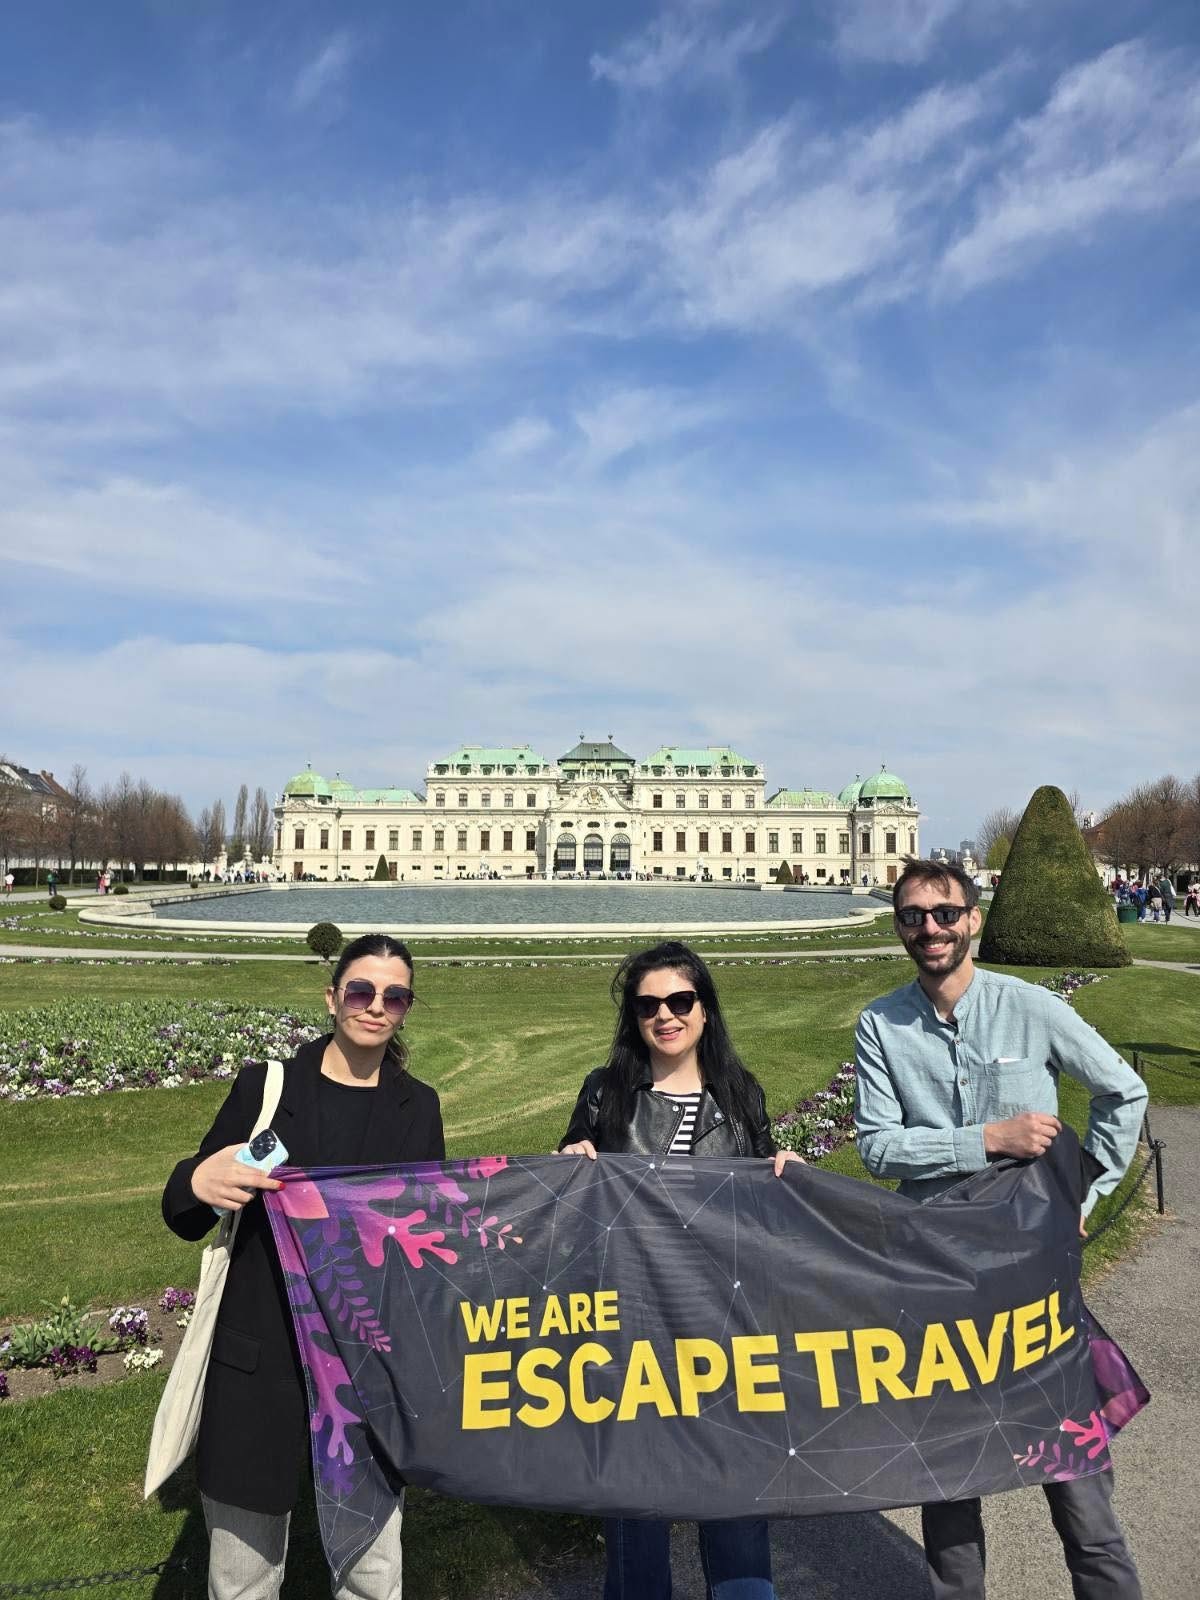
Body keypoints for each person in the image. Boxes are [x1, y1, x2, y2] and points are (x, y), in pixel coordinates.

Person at [853, 858, 1147, 1600]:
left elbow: (1123, 1090)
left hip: (1029, 1277)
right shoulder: (882, 1024)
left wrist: (1084, 1197)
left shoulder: (1029, 1007)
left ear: (972, 920)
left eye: (945, 913)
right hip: (938, 1275)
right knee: (949, 1480)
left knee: (1078, 1488)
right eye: (914, 916)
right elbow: (878, 1148)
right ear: (900, 927)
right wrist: (987, 1139)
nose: (930, 928)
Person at [162, 933, 445, 1600]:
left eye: (395, 996)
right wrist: (199, 1179)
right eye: (361, 990)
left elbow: (429, 1230)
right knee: (244, 1581)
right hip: (261, 1365)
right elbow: (186, 1209)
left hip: (363, 1368)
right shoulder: (268, 1091)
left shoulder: (418, 1107)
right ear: (332, 997)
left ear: (406, 1010)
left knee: (373, 1578)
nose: (375, 1006)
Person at [557, 939, 801, 1600]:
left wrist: (788, 1179)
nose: (664, 1015)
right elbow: (569, 1208)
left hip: (724, 1324)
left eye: (680, 1000)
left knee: (736, 1503)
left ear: (704, 1008)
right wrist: (568, 1165)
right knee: (638, 1511)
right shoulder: (605, 1092)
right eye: (648, 1006)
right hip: (632, 1328)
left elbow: (761, 1205)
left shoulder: (739, 1094)